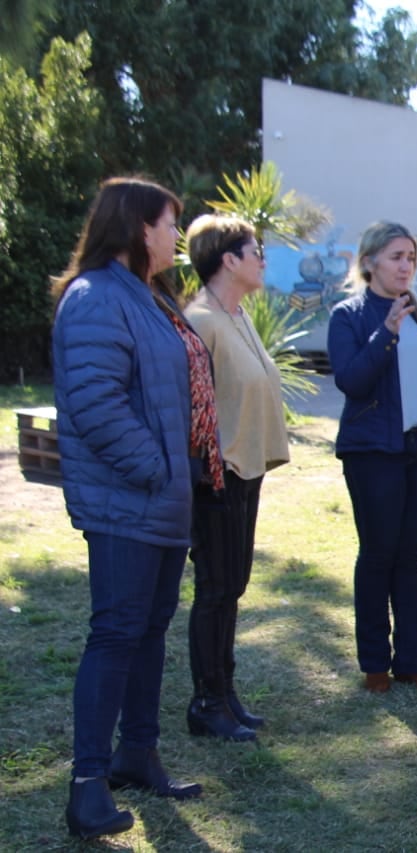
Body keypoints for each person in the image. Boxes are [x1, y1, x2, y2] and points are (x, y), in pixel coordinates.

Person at [52, 177, 207, 839]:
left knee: (149, 630)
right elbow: (95, 404)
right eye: (171, 222)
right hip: (128, 500)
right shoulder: (94, 298)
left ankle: (137, 752)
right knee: (116, 633)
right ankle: (88, 786)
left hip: (162, 501)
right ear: (140, 226)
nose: (178, 234)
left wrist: (178, 475)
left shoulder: (146, 296)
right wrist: (157, 467)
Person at [327, 221, 417, 694]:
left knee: (412, 557)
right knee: (379, 555)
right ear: (369, 263)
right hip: (374, 452)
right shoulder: (350, 316)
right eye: (397, 257)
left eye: (411, 258)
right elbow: (352, 381)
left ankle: (412, 661)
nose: (406, 266)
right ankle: (375, 665)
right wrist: (385, 332)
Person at [183, 215, 291, 740]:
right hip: (217, 475)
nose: (262, 259)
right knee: (216, 587)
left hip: (246, 470)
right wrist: (210, 471)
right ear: (229, 259)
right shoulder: (201, 321)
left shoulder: (238, 315)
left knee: (233, 586)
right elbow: (193, 408)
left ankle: (225, 694)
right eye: (256, 250)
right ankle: (206, 703)